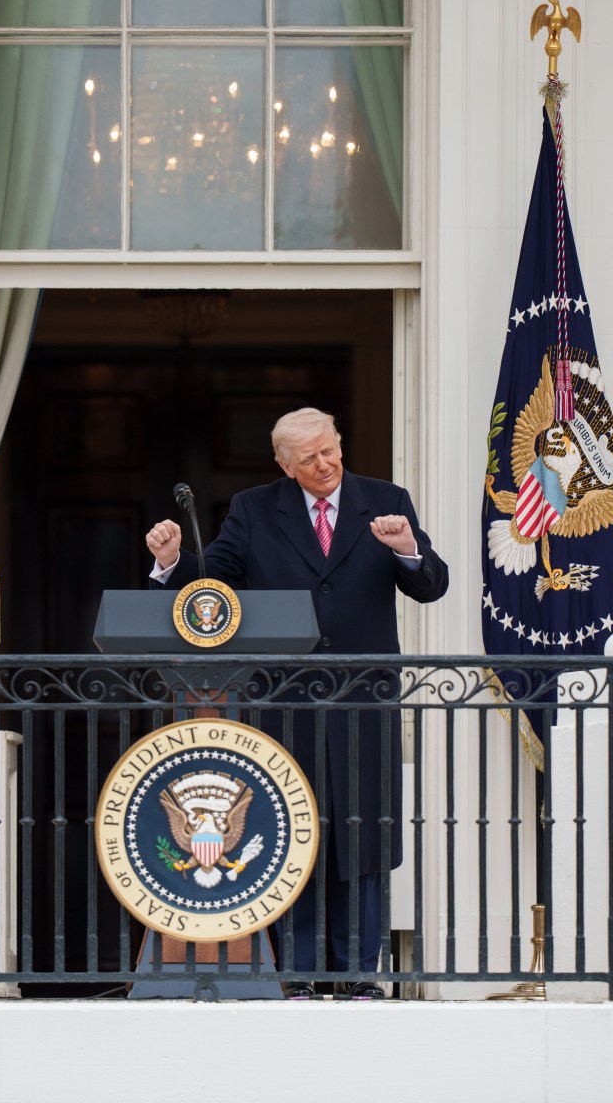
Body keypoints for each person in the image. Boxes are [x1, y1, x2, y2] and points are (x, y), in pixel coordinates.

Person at [145, 407, 448, 998]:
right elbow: (213, 581)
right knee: (293, 831)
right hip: (285, 701)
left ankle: (361, 974)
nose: (326, 463)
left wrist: (409, 546)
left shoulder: (386, 499)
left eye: (330, 449)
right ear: (284, 464)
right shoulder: (256, 509)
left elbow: (430, 585)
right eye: (309, 458)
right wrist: (170, 562)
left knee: (363, 832)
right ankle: (301, 972)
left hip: (364, 697)